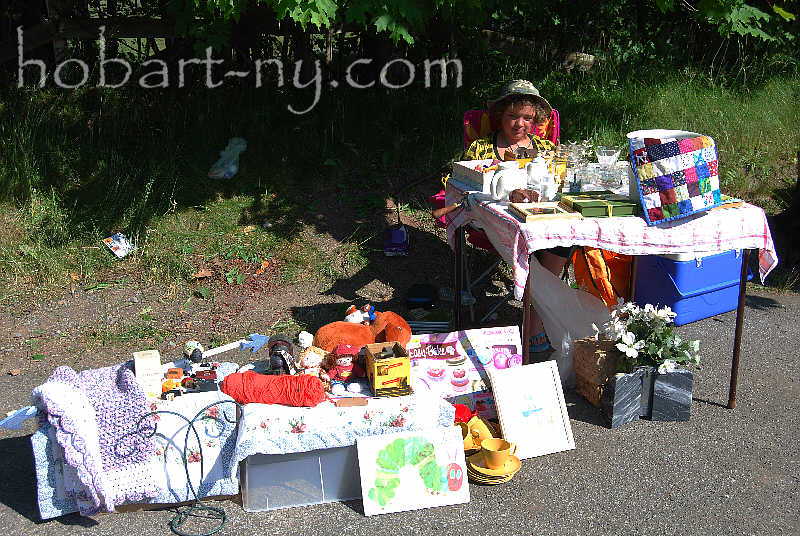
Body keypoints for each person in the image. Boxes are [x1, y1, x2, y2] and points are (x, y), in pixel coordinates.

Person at [447, 79, 569, 353]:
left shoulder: (546, 150)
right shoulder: (481, 148)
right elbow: (462, 180)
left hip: (538, 218)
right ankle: (536, 322)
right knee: (535, 239)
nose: (519, 124)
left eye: (527, 118)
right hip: (492, 221)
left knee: (564, 238)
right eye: (513, 116)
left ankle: (533, 318)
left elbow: (558, 183)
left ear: (535, 120)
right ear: (500, 115)